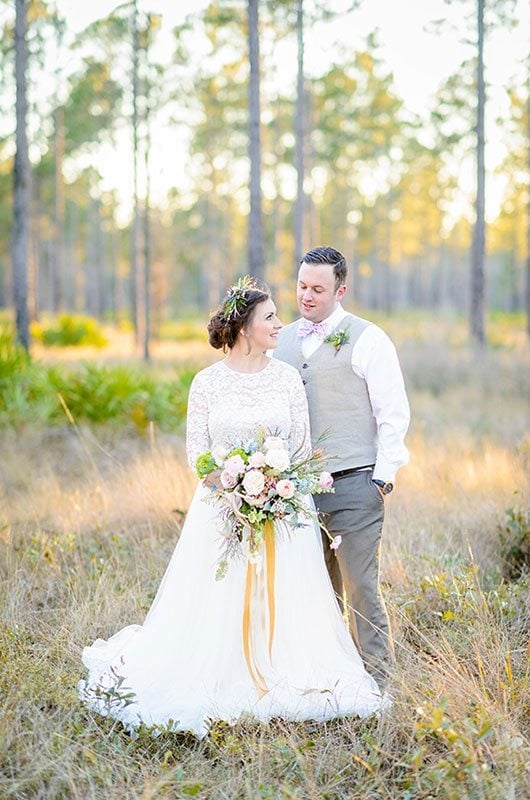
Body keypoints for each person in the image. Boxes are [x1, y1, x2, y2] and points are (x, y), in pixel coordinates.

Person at [78, 279, 387, 738]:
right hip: (221, 511)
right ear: (243, 327)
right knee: (218, 597)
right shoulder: (207, 382)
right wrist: (233, 486)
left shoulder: (285, 378)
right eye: (270, 317)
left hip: (284, 511)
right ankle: (223, 671)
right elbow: (196, 453)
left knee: (289, 595)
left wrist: (275, 488)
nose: (281, 323)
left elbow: (301, 446)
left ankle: (283, 670)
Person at [274, 247, 410, 687]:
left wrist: (382, 480)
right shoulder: (283, 340)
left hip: (356, 484)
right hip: (295, 491)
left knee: (361, 590)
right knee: (311, 592)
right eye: (302, 286)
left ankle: (378, 686)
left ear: (341, 289)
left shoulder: (369, 338)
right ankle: (324, 684)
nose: (307, 296)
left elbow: (393, 413)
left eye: (318, 288)